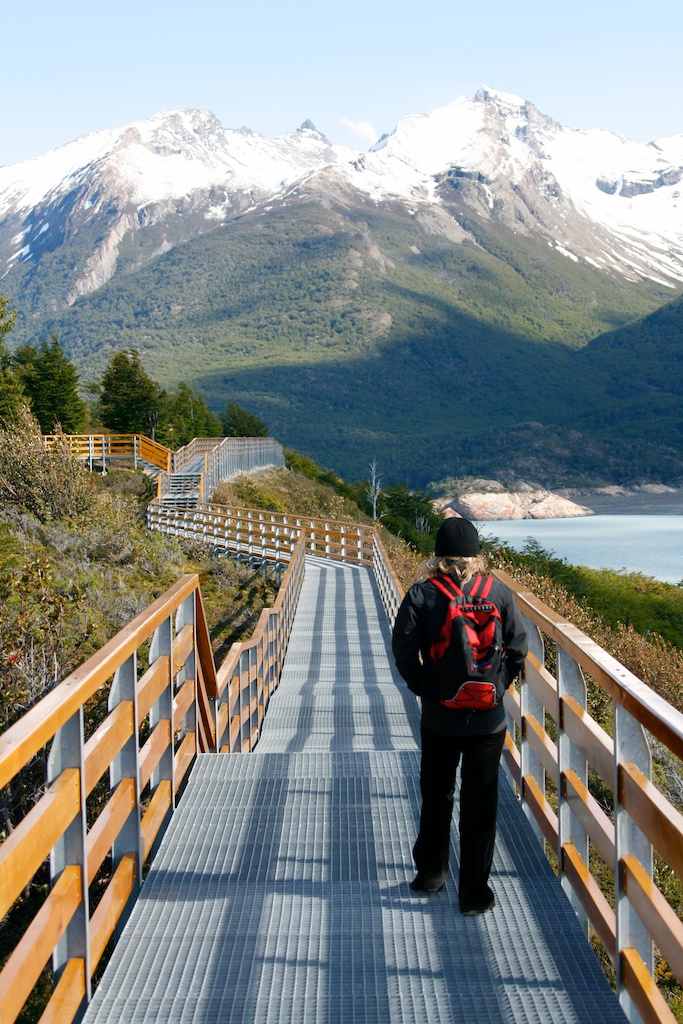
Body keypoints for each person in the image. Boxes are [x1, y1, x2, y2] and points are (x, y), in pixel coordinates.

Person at [392, 516, 528, 915]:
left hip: (440, 718)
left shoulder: (423, 594)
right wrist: (498, 688)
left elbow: (403, 651)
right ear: (476, 556)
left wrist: (427, 690)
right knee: (480, 802)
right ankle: (473, 893)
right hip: (488, 719)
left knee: (437, 794)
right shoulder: (498, 593)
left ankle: (431, 874)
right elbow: (518, 649)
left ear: (438, 557)